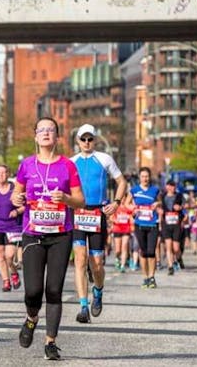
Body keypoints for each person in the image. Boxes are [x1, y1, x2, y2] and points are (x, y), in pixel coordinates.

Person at [14, 117, 85, 361]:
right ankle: (31, 318)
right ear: (35, 136)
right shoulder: (26, 165)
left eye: (50, 130)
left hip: (61, 234)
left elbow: (80, 200)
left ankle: (51, 342)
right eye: (41, 130)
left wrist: (65, 198)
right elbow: (16, 194)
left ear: (57, 137)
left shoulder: (67, 166)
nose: (46, 133)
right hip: (33, 233)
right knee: (33, 291)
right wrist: (17, 200)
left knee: (53, 289)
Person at [70, 124, 127, 324]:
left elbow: (122, 182)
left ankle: (98, 291)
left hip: (97, 213)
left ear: (94, 140)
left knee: (96, 264)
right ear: (77, 141)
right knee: (80, 259)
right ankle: (83, 306)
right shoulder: (71, 162)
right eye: (83, 139)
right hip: (77, 212)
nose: (87, 143)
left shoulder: (104, 158)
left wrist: (116, 203)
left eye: (90, 139)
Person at [0, 164, 24, 292]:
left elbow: (25, 206)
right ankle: (6, 281)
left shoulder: (15, 190)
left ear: (8, 174)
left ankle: (14, 273)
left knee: (9, 256)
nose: (2, 175)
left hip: (12, 227)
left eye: (4, 172)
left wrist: (17, 212)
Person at [124, 167, 160, 289]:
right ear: (139, 177)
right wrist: (133, 209)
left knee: (151, 251)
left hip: (153, 223)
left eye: (147, 176)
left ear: (150, 177)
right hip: (139, 224)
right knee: (143, 251)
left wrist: (157, 204)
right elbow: (126, 204)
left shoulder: (155, 190)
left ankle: (152, 277)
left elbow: (160, 203)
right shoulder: (134, 190)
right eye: (143, 176)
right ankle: (145, 277)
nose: (145, 178)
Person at [159, 180, 185, 275]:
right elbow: (157, 206)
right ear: (166, 187)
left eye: (173, 186)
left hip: (176, 224)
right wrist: (159, 211)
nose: (171, 188)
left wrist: (180, 207)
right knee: (168, 247)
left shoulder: (179, 196)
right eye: (170, 186)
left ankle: (179, 258)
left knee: (176, 248)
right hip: (166, 224)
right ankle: (170, 267)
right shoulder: (162, 196)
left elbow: (187, 205)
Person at [111, 205, 133, 273]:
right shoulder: (115, 206)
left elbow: (132, 217)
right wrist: (115, 220)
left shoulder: (128, 207)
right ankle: (117, 259)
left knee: (124, 246)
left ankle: (122, 266)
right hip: (117, 229)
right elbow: (110, 217)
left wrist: (131, 218)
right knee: (118, 250)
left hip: (126, 229)